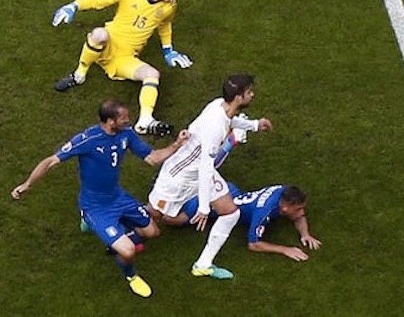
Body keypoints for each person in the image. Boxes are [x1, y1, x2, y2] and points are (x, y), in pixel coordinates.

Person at [11, 100, 190, 298]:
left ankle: (115, 238)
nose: (128, 120)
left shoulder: (126, 133)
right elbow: (51, 161)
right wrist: (27, 184)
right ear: (110, 121)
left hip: (118, 197)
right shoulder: (88, 139)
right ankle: (131, 275)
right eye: (123, 118)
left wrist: (177, 144)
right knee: (129, 251)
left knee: (153, 232)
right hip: (95, 207)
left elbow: (152, 158)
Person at [146, 74, 273, 279]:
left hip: (199, 172)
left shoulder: (219, 105)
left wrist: (255, 125)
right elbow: (206, 167)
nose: (253, 94)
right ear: (239, 97)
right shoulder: (215, 128)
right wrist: (204, 207)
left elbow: (231, 120)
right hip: (179, 177)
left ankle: (203, 264)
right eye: (249, 92)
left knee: (231, 213)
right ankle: (113, 217)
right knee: (155, 215)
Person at [51, 0, 192, 137]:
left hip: (125, 59)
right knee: (99, 34)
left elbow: (164, 24)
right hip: (107, 45)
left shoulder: (169, 5)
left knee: (152, 74)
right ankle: (79, 75)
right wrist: (73, 6)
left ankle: (145, 121)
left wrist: (168, 50)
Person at [165, 183, 322, 261]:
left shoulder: (285, 192)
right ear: (286, 208)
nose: (302, 213)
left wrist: (305, 234)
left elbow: (299, 216)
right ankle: (163, 199)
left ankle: (190, 188)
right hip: (219, 205)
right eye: (299, 209)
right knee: (171, 220)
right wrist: (284, 249)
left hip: (230, 191)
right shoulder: (264, 211)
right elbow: (253, 244)